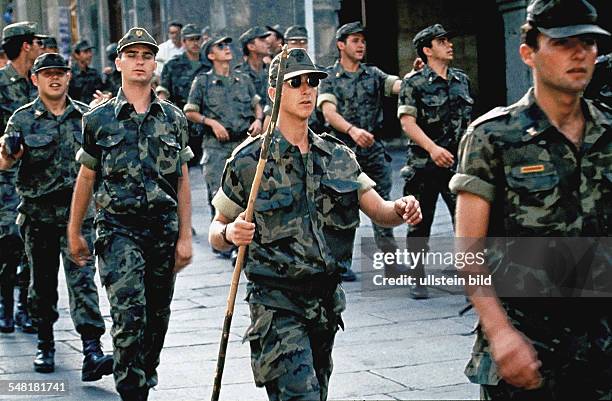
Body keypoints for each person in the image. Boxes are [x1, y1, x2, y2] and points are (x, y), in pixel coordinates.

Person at [209, 48, 422, 401]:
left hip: (325, 303)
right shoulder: (250, 161)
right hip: (276, 304)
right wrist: (231, 233)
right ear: (275, 92)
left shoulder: (338, 156)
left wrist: (402, 208)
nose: (307, 90)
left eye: (312, 82)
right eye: (296, 83)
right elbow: (216, 231)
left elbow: (380, 210)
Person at [449, 0, 611, 399]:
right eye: (562, 43)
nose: (579, 53)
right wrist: (500, 333)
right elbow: (469, 250)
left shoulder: (608, 130)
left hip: (602, 349)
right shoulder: (493, 137)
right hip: (525, 351)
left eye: (589, 42)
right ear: (528, 53)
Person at [67, 27, 193, 401]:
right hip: (118, 229)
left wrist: (185, 237)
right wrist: (74, 231)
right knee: (129, 317)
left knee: (157, 320)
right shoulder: (98, 119)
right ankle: (131, 391)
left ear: (155, 64)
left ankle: (143, 379)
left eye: (147, 55)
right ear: (118, 62)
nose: (140, 62)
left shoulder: (173, 118)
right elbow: (86, 177)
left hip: (162, 230)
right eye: (132, 55)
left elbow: (182, 181)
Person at [0, 52, 113, 379]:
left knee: (83, 281)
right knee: (42, 285)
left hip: (77, 216)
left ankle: (92, 349)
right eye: (46, 73)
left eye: (60, 73)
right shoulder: (21, 119)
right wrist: (11, 153)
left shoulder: (86, 117)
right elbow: (5, 162)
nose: (54, 78)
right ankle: (45, 342)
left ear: (68, 77)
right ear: (34, 80)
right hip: (38, 217)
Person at [318, 21, 402, 281]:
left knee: (384, 203)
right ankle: (338, 263)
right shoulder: (329, 78)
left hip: (373, 150)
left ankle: (390, 261)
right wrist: (352, 130)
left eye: (363, 41)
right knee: (340, 208)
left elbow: (396, 85)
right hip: (342, 152)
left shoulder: (373, 74)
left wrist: (414, 78)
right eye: (355, 41)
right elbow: (329, 113)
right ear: (341, 45)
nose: (361, 46)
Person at [397, 24, 473, 299]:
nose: (449, 45)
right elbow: (407, 122)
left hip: (457, 165)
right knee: (419, 225)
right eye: (442, 42)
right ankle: (417, 278)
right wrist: (433, 149)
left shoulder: (461, 80)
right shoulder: (413, 83)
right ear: (427, 50)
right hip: (424, 166)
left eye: (448, 40)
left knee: (465, 224)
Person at [184, 36, 262, 222]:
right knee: (219, 194)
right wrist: (212, 122)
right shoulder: (203, 82)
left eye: (227, 45)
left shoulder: (242, 79)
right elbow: (190, 111)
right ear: (211, 55)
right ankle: (221, 239)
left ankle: (243, 243)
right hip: (216, 147)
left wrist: (258, 120)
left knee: (249, 192)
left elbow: (256, 104)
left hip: (243, 144)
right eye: (220, 46)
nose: (226, 48)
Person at [0, 21, 45, 334]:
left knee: (34, 243)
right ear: (26, 45)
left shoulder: (39, 83)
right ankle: (5, 306)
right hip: (5, 178)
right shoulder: (1, 83)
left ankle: (26, 307)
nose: (41, 46)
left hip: (38, 178)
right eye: (37, 41)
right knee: (8, 243)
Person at [160, 24, 209, 168]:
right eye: (190, 39)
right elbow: (163, 93)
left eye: (197, 39)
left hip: (206, 126)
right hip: (182, 127)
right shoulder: (173, 65)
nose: (195, 43)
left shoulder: (209, 64)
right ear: (184, 42)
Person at [236, 26, 270, 108]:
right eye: (262, 40)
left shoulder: (272, 71)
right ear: (251, 46)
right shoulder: (239, 74)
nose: (268, 43)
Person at [68, 39, 103, 104]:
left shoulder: (94, 73)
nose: (90, 55)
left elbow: (101, 91)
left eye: (90, 52)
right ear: (76, 55)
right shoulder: (70, 75)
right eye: (86, 52)